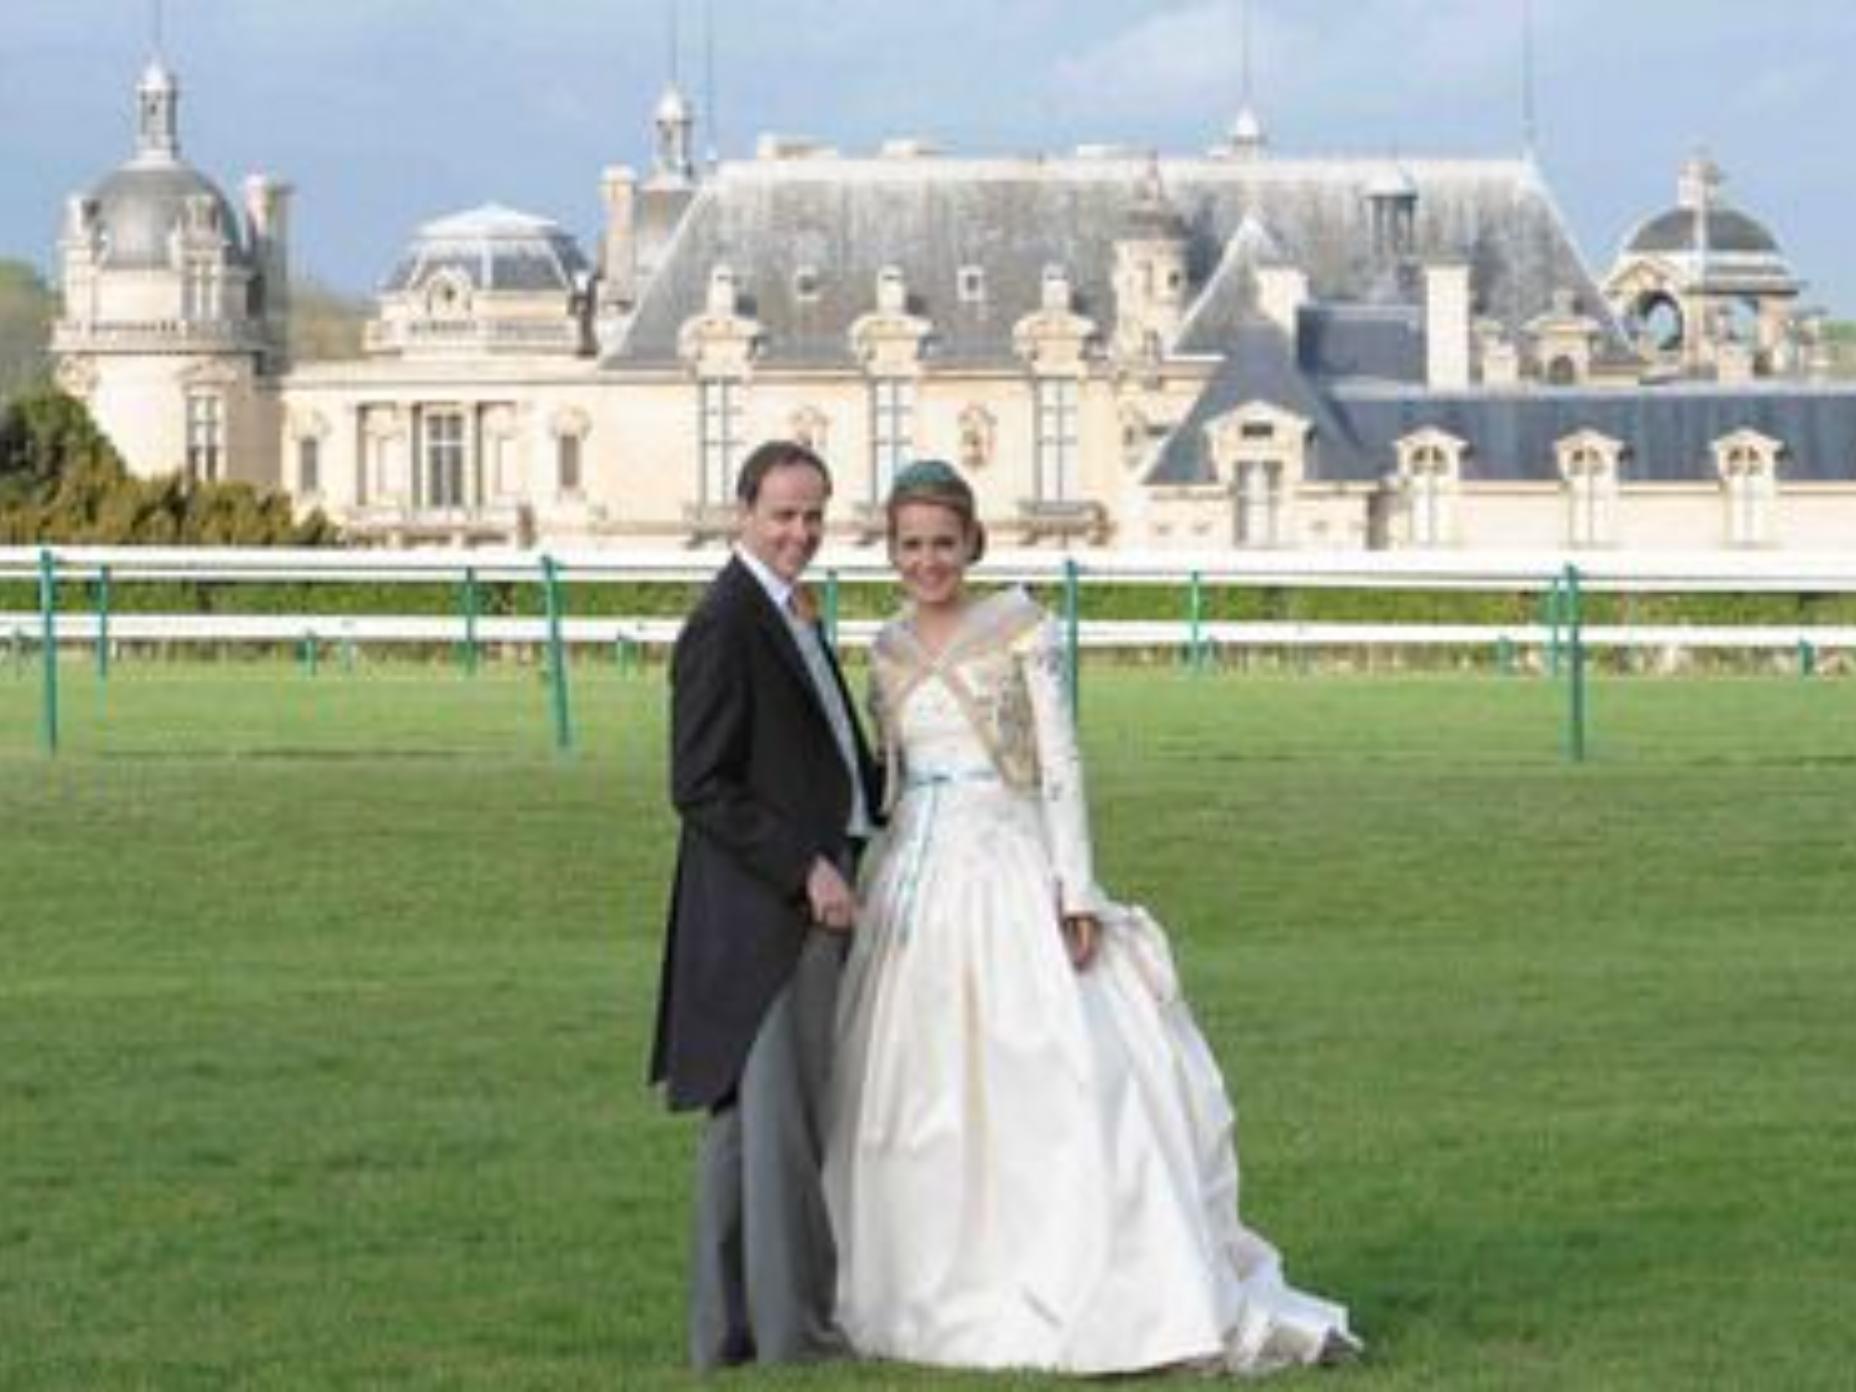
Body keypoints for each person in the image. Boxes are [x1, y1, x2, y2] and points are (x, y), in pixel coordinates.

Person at [824, 459, 1360, 1375]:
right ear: (892, 551)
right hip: (915, 877)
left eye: (942, 543)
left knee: (1057, 1079)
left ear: (971, 543)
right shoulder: (883, 646)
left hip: (1008, 863)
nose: (927, 562)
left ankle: (1091, 1280)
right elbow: (887, 775)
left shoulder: (1024, 629)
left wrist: (1074, 890)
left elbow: (1063, 765)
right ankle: (919, 1282)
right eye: (910, 545)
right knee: (912, 1092)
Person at [650, 439, 882, 1369]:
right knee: (777, 1136)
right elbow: (700, 784)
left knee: (747, 1133)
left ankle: (728, 1338)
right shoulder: (727, 620)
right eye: (784, 515)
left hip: (778, 907)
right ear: (744, 510)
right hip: (768, 916)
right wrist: (809, 871)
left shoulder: (788, 612)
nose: (801, 533)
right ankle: (799, 1337)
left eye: (814, 516)